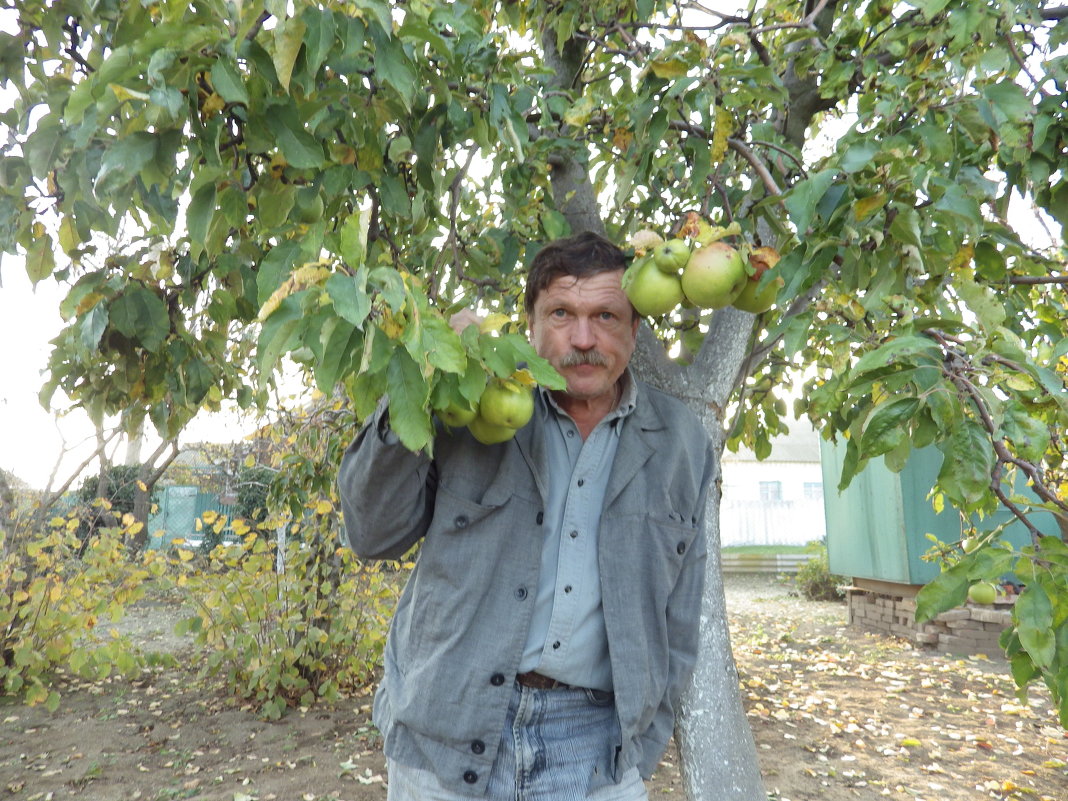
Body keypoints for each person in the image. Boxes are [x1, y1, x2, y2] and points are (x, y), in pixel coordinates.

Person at [338, 231, 715, 800]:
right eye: (561, 313)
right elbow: (372, 534)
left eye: (607, 316)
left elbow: (680, 617)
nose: (583, 339)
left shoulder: (682, 445)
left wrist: (643, 741)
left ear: (635, 330)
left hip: (596, 752)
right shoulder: (469, 406)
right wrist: (420, 378)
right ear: (530, 326)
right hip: (446, 728)